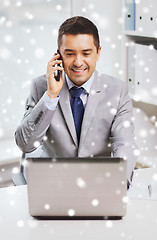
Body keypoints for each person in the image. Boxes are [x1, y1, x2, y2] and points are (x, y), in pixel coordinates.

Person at [15, 16, 137, 188]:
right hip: (54, 187)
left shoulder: (117, 91)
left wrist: (118, 184)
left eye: (86, 53)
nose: (78, 62)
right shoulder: (41, 86)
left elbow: (125, 143)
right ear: (58, 55)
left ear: (98, 52)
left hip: (99, 186)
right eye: (70, 54)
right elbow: (25, 144)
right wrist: (51, 95)